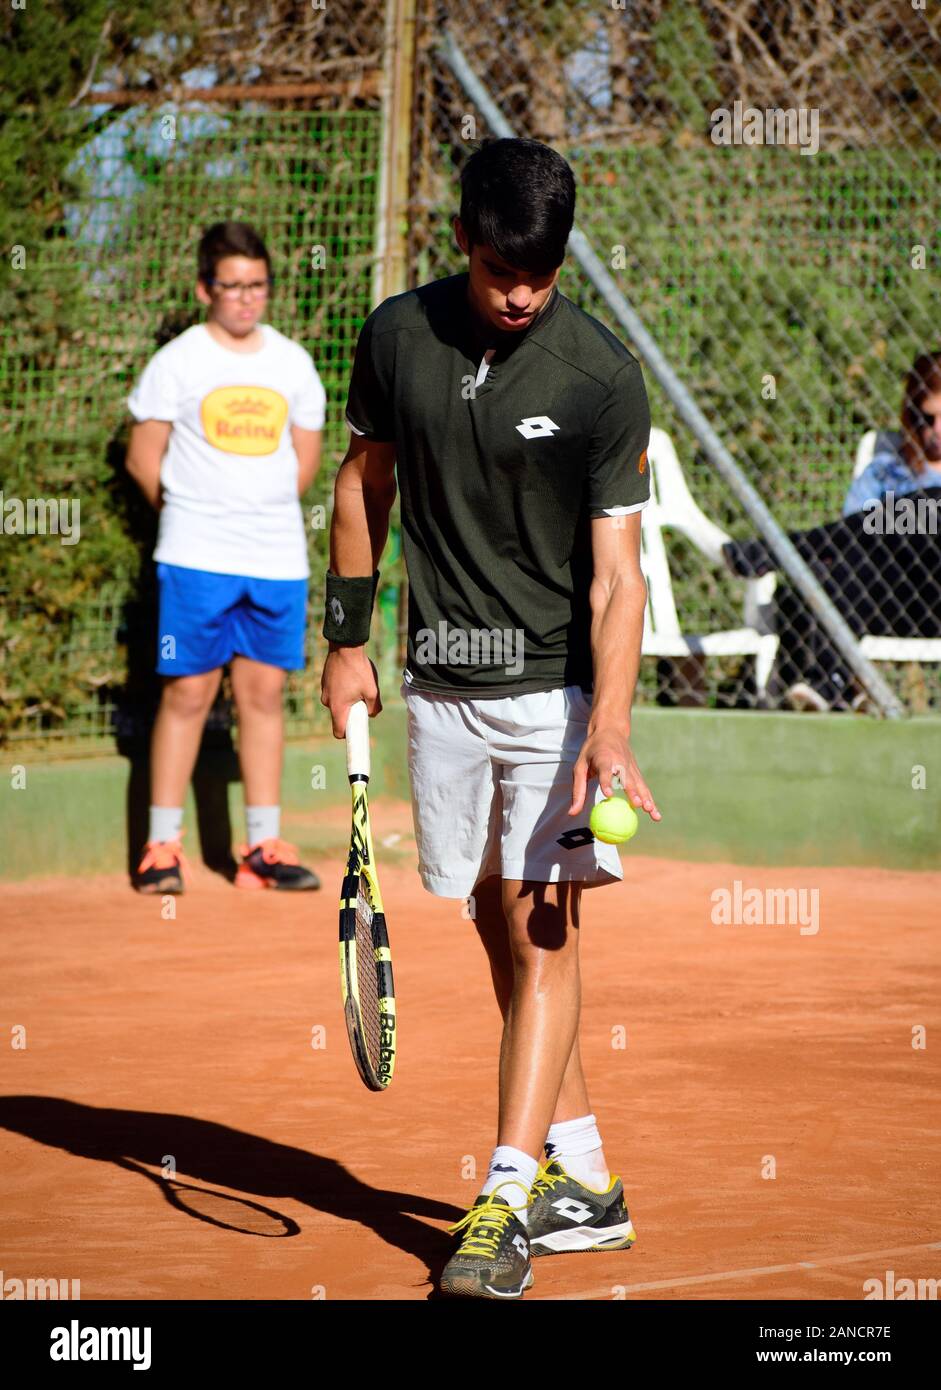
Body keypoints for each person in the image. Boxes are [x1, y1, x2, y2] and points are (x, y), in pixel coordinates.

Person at [321, 138, 661, 1299]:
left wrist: (609, 726)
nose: (522, 291)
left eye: (544, 270)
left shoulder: (600, 377)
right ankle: (585, 1178)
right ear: (463, 237)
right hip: (436, 684)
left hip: (554, 689)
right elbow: (364, 484)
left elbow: (619, 579)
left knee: (543, 926)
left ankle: (504, 1194)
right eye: (502, 267)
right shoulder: (396, 336)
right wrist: (345, 638)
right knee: (488, 919)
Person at [126, 221, 324, 894]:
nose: (246, 299)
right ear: (204, 288)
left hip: (276, 560)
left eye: (257, 286)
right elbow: (142, 457)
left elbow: (304, 461)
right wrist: (189, 516)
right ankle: (160, 850)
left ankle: (261, 849)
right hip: (194, 558)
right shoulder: (177, 361)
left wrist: (252, 514)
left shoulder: (293, 364)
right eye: (232, 286)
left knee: (263, 695)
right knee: (186, 695)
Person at [843, 350, 941, 517]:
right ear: (913, 415)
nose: (938, 429)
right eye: (928, 418)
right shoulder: (885, 473)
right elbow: (850, 530)